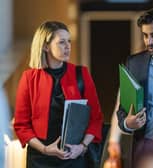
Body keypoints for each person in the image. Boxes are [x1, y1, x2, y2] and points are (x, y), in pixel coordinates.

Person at [13, 21, 103, 168]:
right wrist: (45, 149)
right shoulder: (29, 78)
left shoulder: (81, 74)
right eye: (61, 42)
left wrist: (82, 147)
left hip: (74, 156)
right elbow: (22, 125)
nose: (68, 46)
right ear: (45, 46)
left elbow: (96, 119)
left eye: (69, 41)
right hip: (40, 158)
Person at [117, 8, 153, 167]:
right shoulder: (134, 63)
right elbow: (122, 110)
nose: (148, 41)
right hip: (145, 146)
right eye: (145, 35)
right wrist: (127, 123)